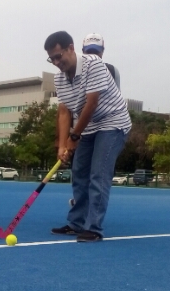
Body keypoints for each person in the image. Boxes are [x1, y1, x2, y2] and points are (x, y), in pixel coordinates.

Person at [45, 31, 131, 242]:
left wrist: (73, 138)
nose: (56, 62)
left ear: (71, 48)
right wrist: (62, 146)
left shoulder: (94, 64)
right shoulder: (60, 78)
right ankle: (76, 223)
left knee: (98, 174)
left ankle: (93, 227)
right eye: (52, 58)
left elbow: (91, 104)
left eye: (59, 56)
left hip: (113, 123)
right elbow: (65, 111)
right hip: (89, 127)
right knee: (79, 172)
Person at [64, 32, 121, 207]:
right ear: (82, 50)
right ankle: (80, 208)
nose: (93, 55)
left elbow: (105, 101)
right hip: (80, 129)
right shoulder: (71, 70)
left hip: (103, 126)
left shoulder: (110, 70)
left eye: (96, 51)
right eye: (89, 51)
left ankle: (92, 218)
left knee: (97, 172)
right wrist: (67, 137)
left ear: (103, 51)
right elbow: (66, 107)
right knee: (79, 171)